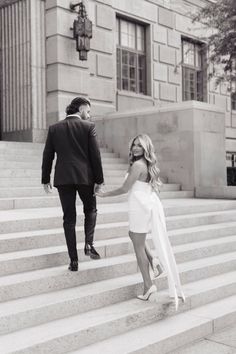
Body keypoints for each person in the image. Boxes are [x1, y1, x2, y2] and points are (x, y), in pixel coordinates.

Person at [96, 134, 185, 310]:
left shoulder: (138, 165)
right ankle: (154, 261)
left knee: (138, 246)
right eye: (134, 145)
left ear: (146, 148)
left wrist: (104, 194)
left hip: (139, 206)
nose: (135, 148)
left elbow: (124, 188)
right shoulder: (144, 164)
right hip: (143, 203)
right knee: (134, 236)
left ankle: (148, 285)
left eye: (139, 146)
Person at [41, 97, 104, 272]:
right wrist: (99, 180)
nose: (89, 115)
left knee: (69, 219)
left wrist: (45, 178)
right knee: (90, 209)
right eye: (89, 111)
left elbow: (47, 155)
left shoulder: (54, 128)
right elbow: (95, 156)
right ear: (82, 108)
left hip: (63, 178)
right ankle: (89, 244)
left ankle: (73, 261)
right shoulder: (88, 127)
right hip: (86, 178)